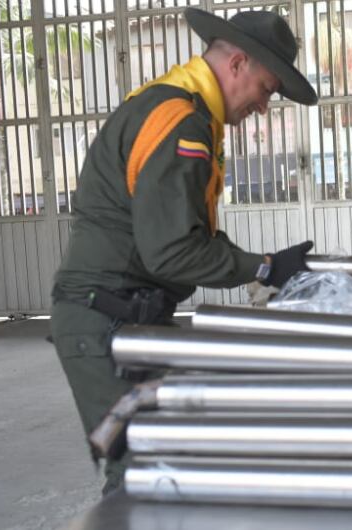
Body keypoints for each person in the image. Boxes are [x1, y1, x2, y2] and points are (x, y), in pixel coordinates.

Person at [49, 7, 317, 494]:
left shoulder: (181, 108)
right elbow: (172, 252)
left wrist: (264, 264)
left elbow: (187, 235)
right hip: (105, 323)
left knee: (172, 455)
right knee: (139, 474)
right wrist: (264, 267)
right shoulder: (181, 121)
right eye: (266, 90)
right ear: (237, 65)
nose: (262, 107)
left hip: (128, 317)